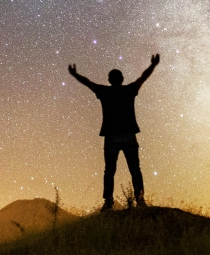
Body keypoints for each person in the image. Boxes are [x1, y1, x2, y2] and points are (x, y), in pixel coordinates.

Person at [68, 54, 160, 211]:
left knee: (109, 170)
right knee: (135, 169)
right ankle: (140, 200)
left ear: (109, 80)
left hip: (111, 137)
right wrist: (153, 65)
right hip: (129, 135)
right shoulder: (129, 90)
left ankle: (108, 202)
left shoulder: (104, 92)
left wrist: (75, 74)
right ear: (122, 79)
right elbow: (142, 77)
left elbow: (87, 83)